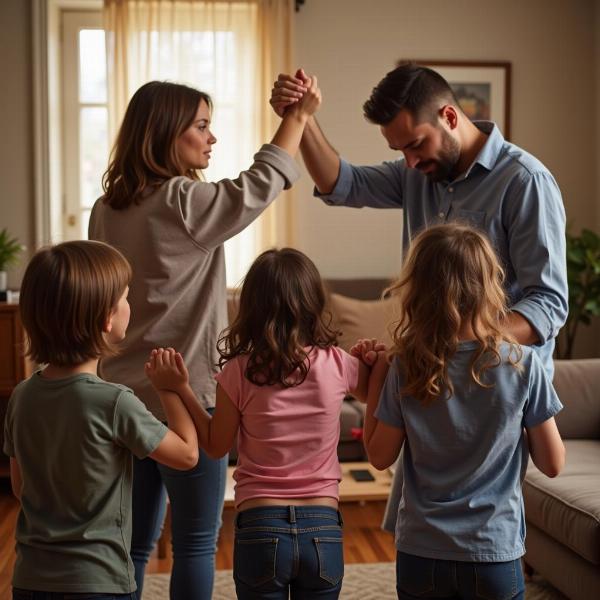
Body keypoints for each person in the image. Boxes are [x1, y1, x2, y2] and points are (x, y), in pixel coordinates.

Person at [88, 78, 321, 599]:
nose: (211, 138)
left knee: (134, 543)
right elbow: (259, 183)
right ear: (166, 132)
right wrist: (299, 117)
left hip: (122, 397)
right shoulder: (183, 200)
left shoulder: (105, 210)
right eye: (201, 126)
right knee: (196, 541)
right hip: (187, 398)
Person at [270, 63, 567, 380]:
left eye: (415, 144)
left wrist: (458, 343)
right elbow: (342, 184)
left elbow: (547, 304)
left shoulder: (525, 181)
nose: (409, 162)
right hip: (431, 379)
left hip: (504, 384)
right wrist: (301, 117)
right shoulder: (415, 172)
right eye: (399, 150)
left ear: (450, 118)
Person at [145, 247, 371, 600]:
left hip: (260, 526)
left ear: (250, 308)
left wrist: (180, 389)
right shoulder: (338, 363)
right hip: (322, 527)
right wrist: (373, 359)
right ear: (313, 303)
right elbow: (377, 395)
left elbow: (216, 445)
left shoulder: (238, 372)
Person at [356, 223, 565, 600]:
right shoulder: (524, 364)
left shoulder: (405, 365)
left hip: (422, 553)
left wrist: (376, 379)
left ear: (417, 288)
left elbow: (379, 456)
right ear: (490, 284)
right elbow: (552, 464)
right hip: (494, 552)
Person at [3, 240, 199, 600]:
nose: (130, 304)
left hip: (30, 579)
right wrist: (170, 390)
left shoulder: (21, 396)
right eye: (125, 297)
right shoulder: (114, 402)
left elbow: (20, 488)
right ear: (107, 319)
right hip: (98, 582)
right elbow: (187, 455)